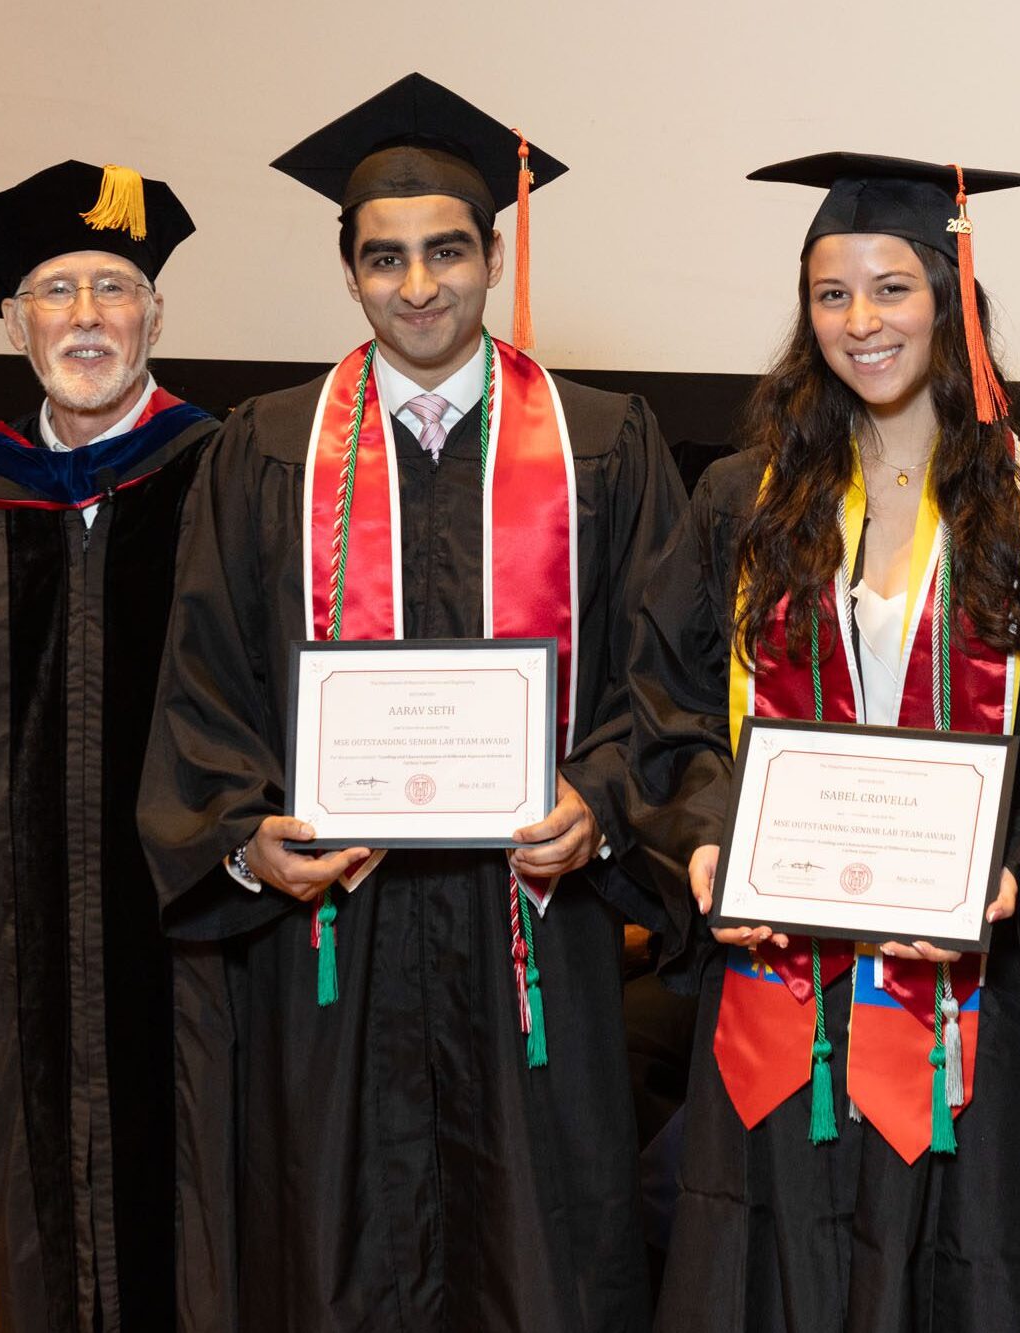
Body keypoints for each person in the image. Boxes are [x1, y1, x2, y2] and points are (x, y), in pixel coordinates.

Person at [139, 74, 685, 1332]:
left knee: (540, 1246)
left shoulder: (602, 443)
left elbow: (660, 678)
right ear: (348, 273)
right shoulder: (265, 450)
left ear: (491, 255)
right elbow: (203, 679)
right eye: (384, 259)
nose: (418, 285)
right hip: (335, 936)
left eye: (446, 251)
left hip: (529, 927)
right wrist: (242, 837)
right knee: (340, 1236)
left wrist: (597, 805)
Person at [627, 152, 1020, 1332]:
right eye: (830, 293)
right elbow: (669, 706)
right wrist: (701, 841)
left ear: (950, 302)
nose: (860, 321)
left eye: (890, 287)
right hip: (777, 977)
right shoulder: (742, 501)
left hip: (968, 1000)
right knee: (768, 1265)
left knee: (963, 1266)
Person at [0, 160, 213, 1331]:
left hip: (186, 932)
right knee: (31, 1202)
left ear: (156, 315)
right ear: (16, 321)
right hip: (11, 929)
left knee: (194, 1194)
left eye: (113, 286)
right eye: (57, 290)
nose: (86, 316)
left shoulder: (217, 476)